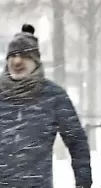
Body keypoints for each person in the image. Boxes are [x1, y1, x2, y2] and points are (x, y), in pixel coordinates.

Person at [0, 24, 92, 188]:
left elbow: (77, 141)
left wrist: (83, 181)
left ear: (35, 62)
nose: (17, 60)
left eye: (24, 55)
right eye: (13, 55)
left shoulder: (53, 96)